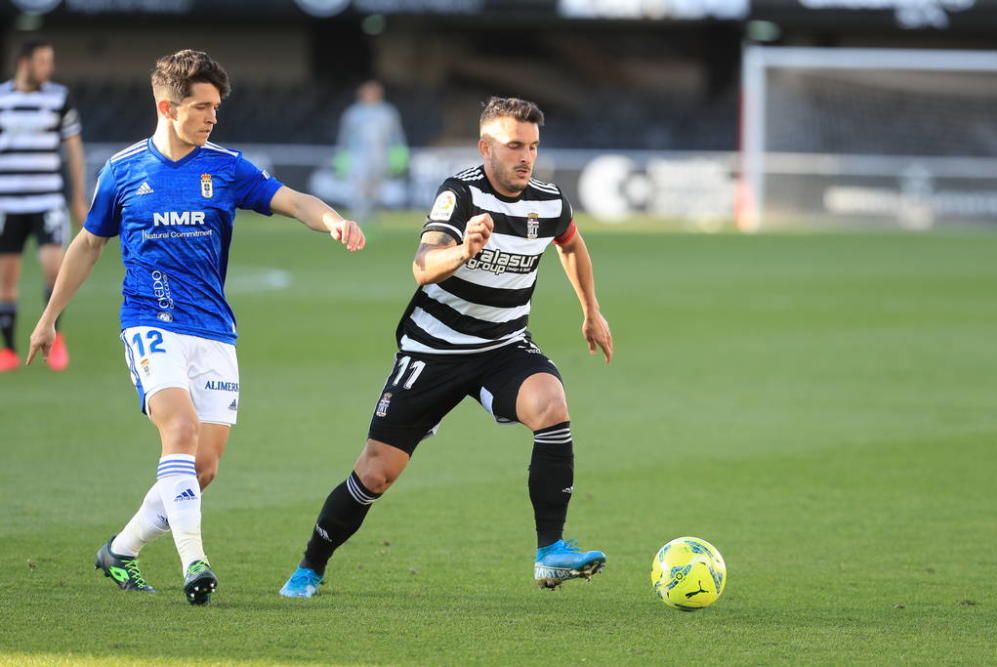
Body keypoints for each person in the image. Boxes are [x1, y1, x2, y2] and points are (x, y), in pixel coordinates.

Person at [27, 50, 365, 605]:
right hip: (148, 321)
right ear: (167, 105)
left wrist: (333, 221)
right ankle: (195, 562)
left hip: (213, 331)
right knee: (178, 432)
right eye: (202, 106)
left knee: (201, 468)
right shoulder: (124, 170)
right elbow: (89, 243)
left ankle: (121, 550)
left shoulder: (226, 167)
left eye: (217, 107)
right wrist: (48, 317)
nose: (213, 117)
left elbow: (293, 200)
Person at [280, 97, 614, 598]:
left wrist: (591, 310)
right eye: (514, 146)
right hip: (433, 350)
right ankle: (311, 565)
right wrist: (464, 250)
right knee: (376, 471)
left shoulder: (547, 201)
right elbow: (422, 266)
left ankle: (551, 552)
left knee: (550, 403)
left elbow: (570, 243)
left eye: (533, 147)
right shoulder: (460, 195)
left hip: (503, 346)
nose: (526, 157)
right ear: (485, 148)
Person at [0, 39, 87, 372]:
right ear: (23, 62)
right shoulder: (2, 99)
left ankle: (55, 336)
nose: (48, 68)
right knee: (6, 278)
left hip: (47, 198)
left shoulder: (58, 98)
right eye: (42, 61)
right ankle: (7, 349)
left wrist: (77, 197)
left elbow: (74, 148)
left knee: (55, 267)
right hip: (7, 201)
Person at [333, 80, 408, 225]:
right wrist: (341, 156)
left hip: (381, 156)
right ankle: (358, 216)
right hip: (358, 157)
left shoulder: (387, 112)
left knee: (376, 186)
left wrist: (399, 154)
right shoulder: (353, 113)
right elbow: (344, 137)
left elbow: (396, 136)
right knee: (359, 186)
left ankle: (373, 215)